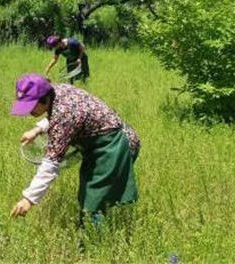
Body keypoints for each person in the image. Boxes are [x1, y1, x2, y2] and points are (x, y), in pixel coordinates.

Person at [9, 74, 140, 222]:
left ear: (44, 99)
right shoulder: (56, 90)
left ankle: (92, 241)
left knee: (94, 203)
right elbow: (64, 113)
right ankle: (90, 233)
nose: (28, 111)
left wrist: (29, 199)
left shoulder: (64, 115)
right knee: (89, 196)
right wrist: (37, 129)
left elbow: (51, 163)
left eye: (31, 106)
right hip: (102, 145)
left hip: (114, 146)